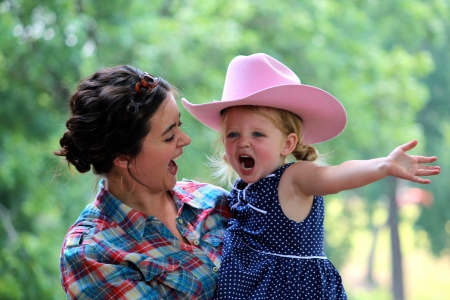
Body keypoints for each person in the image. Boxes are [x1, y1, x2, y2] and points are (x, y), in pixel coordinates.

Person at [181, 53, 441, 299]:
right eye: (233, 135)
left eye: (257, 134)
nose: (243, 143)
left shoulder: (295, 178)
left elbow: (338, 176)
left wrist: (383, 165)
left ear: (287, 144)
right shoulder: (242, 191)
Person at [55, 65, 231, 299]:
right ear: (123, 157)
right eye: (169, 136)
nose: (185, 140)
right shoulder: (92, 253)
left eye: (180, 125)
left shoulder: (214, 201)